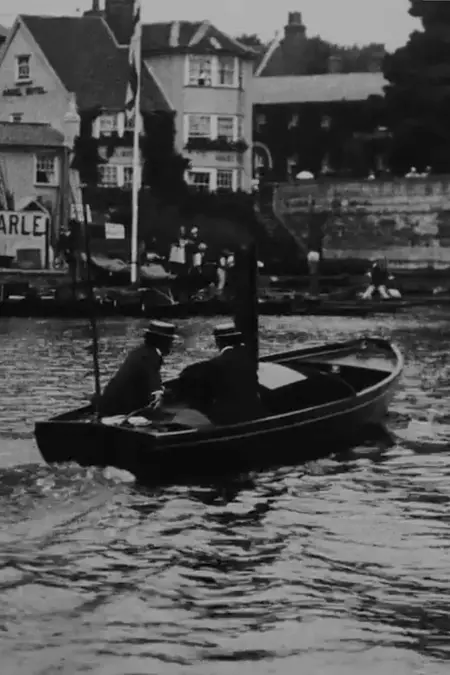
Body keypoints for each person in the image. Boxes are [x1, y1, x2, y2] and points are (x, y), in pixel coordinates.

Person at [176, 324, 265, 425]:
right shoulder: (249, 360)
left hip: (230, 418)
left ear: (218, 342)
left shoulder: (215, 365)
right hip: (255, 412)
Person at [96, 320, 177, 418]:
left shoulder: (140, 351)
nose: (171, 345)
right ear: (163, 342)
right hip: (120, 407)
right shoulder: (151, 355)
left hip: (111, 400)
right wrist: (158, 392)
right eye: (170, 342)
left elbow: (147, 377)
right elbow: (152, 375)